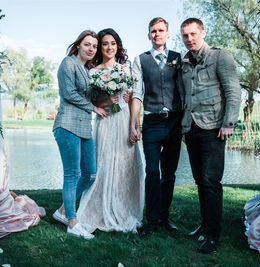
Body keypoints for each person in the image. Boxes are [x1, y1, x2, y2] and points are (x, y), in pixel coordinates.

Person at [180, 18, 241, 253]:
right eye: (185, 35)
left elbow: (233, 91)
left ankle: (213, 235)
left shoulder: (220, 56)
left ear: (203, 32)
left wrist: (229, 123)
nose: (189, 39)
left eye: (193, 34)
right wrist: (184, 128)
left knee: (211, 181)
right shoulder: (184, 63)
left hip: (214, 128)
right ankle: (205, 226)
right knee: (199, 181)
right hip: (191, 129)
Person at [77, 28, 144, 233]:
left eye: (113, 43)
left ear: (118, 46)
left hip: (123, 120)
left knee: (125, 165)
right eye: (105, 44)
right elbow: (91, 100)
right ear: (100, 47)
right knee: (103, 163)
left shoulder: (125, 70)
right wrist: (108, 99)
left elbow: (133, 98)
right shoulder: (93, 71)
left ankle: (124, 208)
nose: (109, 47)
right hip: (105, 120)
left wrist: (135, 125)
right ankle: (98, 207)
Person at [52, 30, 114, 240]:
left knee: (90, 174)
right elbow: (68, 94)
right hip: (67, 125)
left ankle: (62, 210)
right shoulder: (68, 64)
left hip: (84, 128)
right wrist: (94, 109)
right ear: (78, 45)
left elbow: (93, 98)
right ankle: (72, 222)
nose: (91, 49)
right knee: (73, 174)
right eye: (87, 44)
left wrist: (110, 98)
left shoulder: (88, 71)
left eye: (94, 46)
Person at [130, 17, 183, 237]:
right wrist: (134, 123)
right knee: (152, 171)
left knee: (169, 173)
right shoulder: (140, 59)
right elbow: (136, 93)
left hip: (174, 122)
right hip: (151, 122)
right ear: (148, 35)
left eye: (161, 30)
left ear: (168, 34)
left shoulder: (178, 59)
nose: (157, 34)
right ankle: (151, 219)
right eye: (153, 31)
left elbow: (184, 89)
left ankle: (164, 215)